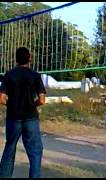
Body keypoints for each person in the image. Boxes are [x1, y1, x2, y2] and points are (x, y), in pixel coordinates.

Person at [0, 47, 46, 178]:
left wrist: (13, 104)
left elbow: (2, 99)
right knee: (35, 152)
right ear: (29, 58)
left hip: (13, 117)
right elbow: (42, 100)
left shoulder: (8, 75)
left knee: (9, 149)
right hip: (30, 117)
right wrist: (32, 104)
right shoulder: (35, 76)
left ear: (16, 59)